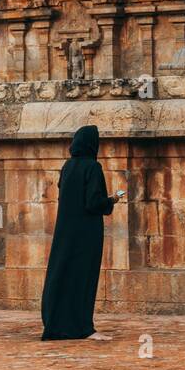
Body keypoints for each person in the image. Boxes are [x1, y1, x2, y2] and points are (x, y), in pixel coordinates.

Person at [40, 125, 124, 341]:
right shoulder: (92, 167)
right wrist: (112, 199)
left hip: (66, 231)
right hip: (86, 232)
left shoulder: (67, 166)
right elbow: (93, 203)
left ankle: (58, 323)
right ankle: (82, 327)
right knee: (83, 279)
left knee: (65, 274)